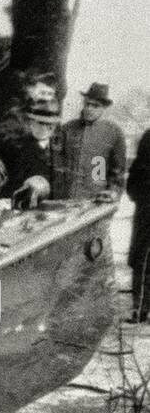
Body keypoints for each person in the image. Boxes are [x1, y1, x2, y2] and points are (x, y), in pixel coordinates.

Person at [53, 82, 126, 201]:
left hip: (96, 201)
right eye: (87, 104)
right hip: (64, 199)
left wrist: (113, 192)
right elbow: (54, 162)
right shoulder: (67, 129)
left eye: (95, 106)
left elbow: (118, 173)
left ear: (104, 108)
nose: (89, 109)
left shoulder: (114, 133)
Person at [0, 99, 62, 205]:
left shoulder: (58, 149)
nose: (46, 128)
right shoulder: (20, 147)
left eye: (51, 124)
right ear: (31, 123)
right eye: (41, 123)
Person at [128, 128, 150, 321]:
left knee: (142, 260)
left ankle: (140, 309)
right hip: (145, 212)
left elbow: (132, 187)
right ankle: (140, 309)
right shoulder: (147, 138)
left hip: (145, 210)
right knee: (142, 260)